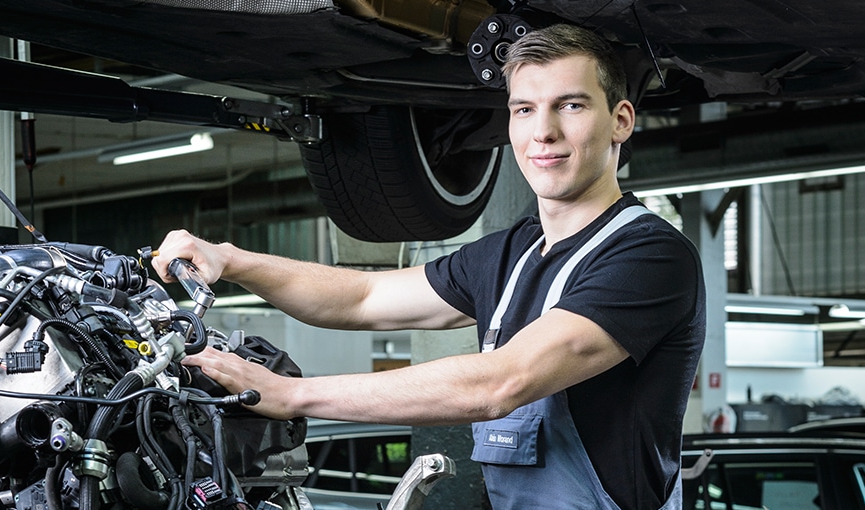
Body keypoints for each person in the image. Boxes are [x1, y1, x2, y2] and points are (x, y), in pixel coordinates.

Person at [152, 23, 706, 510]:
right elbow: (360, 299)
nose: (543, 132)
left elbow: (501, 382)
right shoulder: (508, 253)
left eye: (571, 105)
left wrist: (292, 395)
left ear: (621, 120)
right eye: (523, 109)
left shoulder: (648, 256)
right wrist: (232, 259)